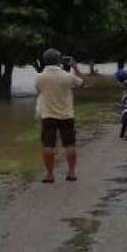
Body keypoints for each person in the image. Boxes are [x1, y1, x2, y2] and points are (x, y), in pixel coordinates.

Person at [35, 47, 84, 182]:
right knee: (69, 144)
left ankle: (50, 174)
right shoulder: (67, 76)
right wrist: (75, 67)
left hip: (48, 115)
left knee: (48, 145)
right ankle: (72, 172)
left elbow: (39, 92)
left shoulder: (40, 77)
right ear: (58, 61)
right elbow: (81, 83)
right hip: (66, 115)